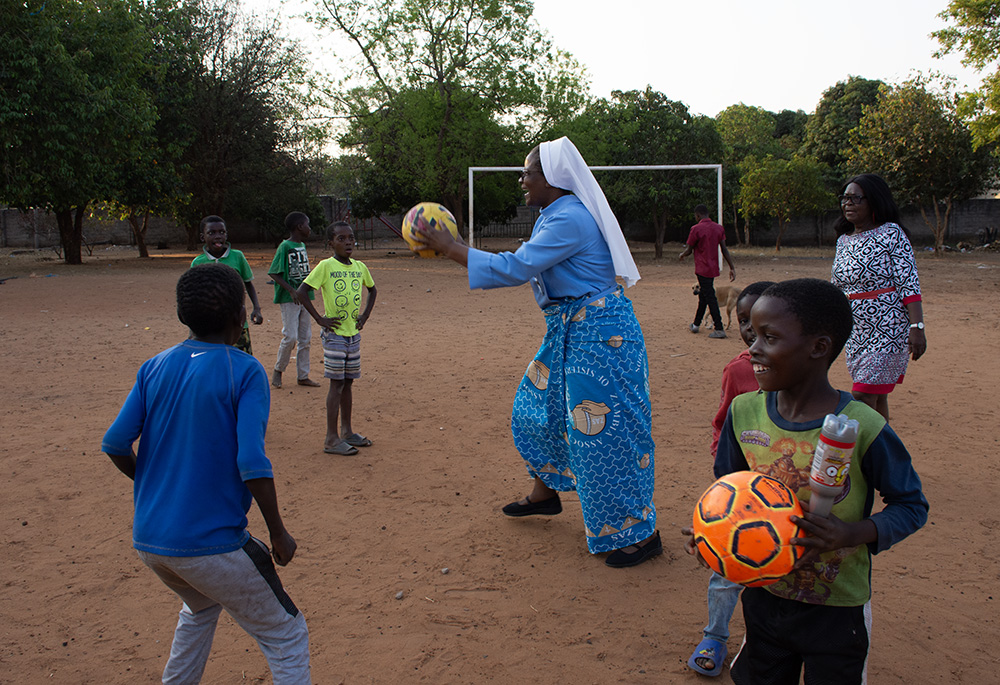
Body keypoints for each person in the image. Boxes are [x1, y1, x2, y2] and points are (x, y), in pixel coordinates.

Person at [413, 137, 659, 568]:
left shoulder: (570, 219)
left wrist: (451, 247)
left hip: (600, 336)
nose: (522, 180)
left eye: (528, 172)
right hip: (570, 331)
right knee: (535, 408)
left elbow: (515, 268)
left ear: (554, 177)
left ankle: (636, 534)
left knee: (605, 435)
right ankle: (545, 494)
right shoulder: (556, 214)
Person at [685, 278, 928, 684]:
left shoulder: (862, 427)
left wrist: (852, 532)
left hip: (836, 606)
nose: (753, 347)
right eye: (752, 334)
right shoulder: (744, 412)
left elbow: (911, 505)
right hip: (763, 597)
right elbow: (729, 488)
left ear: (819, 347)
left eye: (770, 337)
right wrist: (714, 533)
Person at [101, 264, 311, 684]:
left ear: (184, 315)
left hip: (151, 540)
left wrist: (152, 482)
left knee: (199, 609)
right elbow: (251, 461)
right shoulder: (245, 370)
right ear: (239, 317)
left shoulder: (155, 365)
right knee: (285, 632)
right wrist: (278, 533)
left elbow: (114, 444)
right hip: (211, 544)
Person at [688, 280, 775, 677]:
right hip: (741, 493)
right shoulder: (739, 370)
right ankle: (716, 634)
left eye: (765, 328)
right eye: (744, 322)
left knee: (777, 574)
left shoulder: (804, 372)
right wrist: (725, 483)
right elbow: (722, 427)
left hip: (788, 498)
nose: (751, 334)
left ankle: (767, 642)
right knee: (727, 569)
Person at [832, 173, 926, 422]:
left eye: (855, 198)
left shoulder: (891, 234)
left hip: (888, 327)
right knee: (877, 396)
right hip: (856, 330)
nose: (847, 204)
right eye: (844, 198)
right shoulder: (843, 241)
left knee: (861, 395)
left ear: (873, 201)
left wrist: (917, 326)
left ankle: (866, 453)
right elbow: (838, 286)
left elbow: (908, 283)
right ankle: (884, 453)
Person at [296, 221, 377, 456]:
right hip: (335, 336)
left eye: (350, 238)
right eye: (341, 239)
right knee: (337, 383)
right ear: (330, 243)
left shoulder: (360, 267)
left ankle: (347, 431)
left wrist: (365, 316)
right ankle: (331, 438)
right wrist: (320, 319)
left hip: (353, 335)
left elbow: (372, 290)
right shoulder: (325, 266)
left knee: (348, 382)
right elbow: (302, 291)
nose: (348, 242)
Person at [190, 215, 263, 355]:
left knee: (242, 359)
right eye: (211, 233)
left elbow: (248, 283)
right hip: (209, 324)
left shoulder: (237, 257)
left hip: (236, 321)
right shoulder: (198, 263)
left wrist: (257, 308)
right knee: (214, 360)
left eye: (222, 232)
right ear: (202, 237)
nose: (218, 236)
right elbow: (195, 296)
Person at [269, 211, 320, 389]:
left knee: (305, 338)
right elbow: (274, 272)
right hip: (289, 298)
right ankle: (278, 369)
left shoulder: (302, 246)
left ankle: (303, 375)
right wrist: (291, 290)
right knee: (290, 336)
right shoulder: (284, 247)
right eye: (307, 224)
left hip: (305, 298)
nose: (309, 228)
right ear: (299, 227)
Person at [680, 204, 736, 339]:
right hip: (712, 268)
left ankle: (719, 328)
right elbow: (724, 249)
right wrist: (732, 267)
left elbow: (689, 250)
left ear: (698, 215)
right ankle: (696, 324)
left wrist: (682, 255)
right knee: (704, 296)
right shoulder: (718, 228)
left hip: (701, 268)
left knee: (710, 297)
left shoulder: (696, 229)